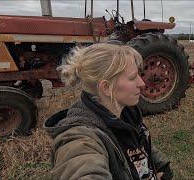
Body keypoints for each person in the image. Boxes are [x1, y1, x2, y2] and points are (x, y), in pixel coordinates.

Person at [44, 43, 173, 180]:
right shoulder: (80, 140)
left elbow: (140, 146)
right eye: (132, 77)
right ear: (106, 88)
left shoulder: (127, 116)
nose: (141, 83)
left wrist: (161, 167)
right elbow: (82, 168)